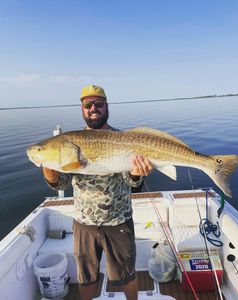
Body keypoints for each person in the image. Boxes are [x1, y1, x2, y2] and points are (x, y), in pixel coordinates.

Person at [43, 84, 153, 300]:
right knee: (86, 278)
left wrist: (136, 174)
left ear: (106, 106)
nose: (93, 108)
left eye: (98, 104)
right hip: (85, 223)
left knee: (127, 276)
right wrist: (50, 173)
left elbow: (132, 183)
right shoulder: (70, 142)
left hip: (118, 221)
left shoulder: (124, 139)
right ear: (82, 109)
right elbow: (62, 183)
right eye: (87, 104)